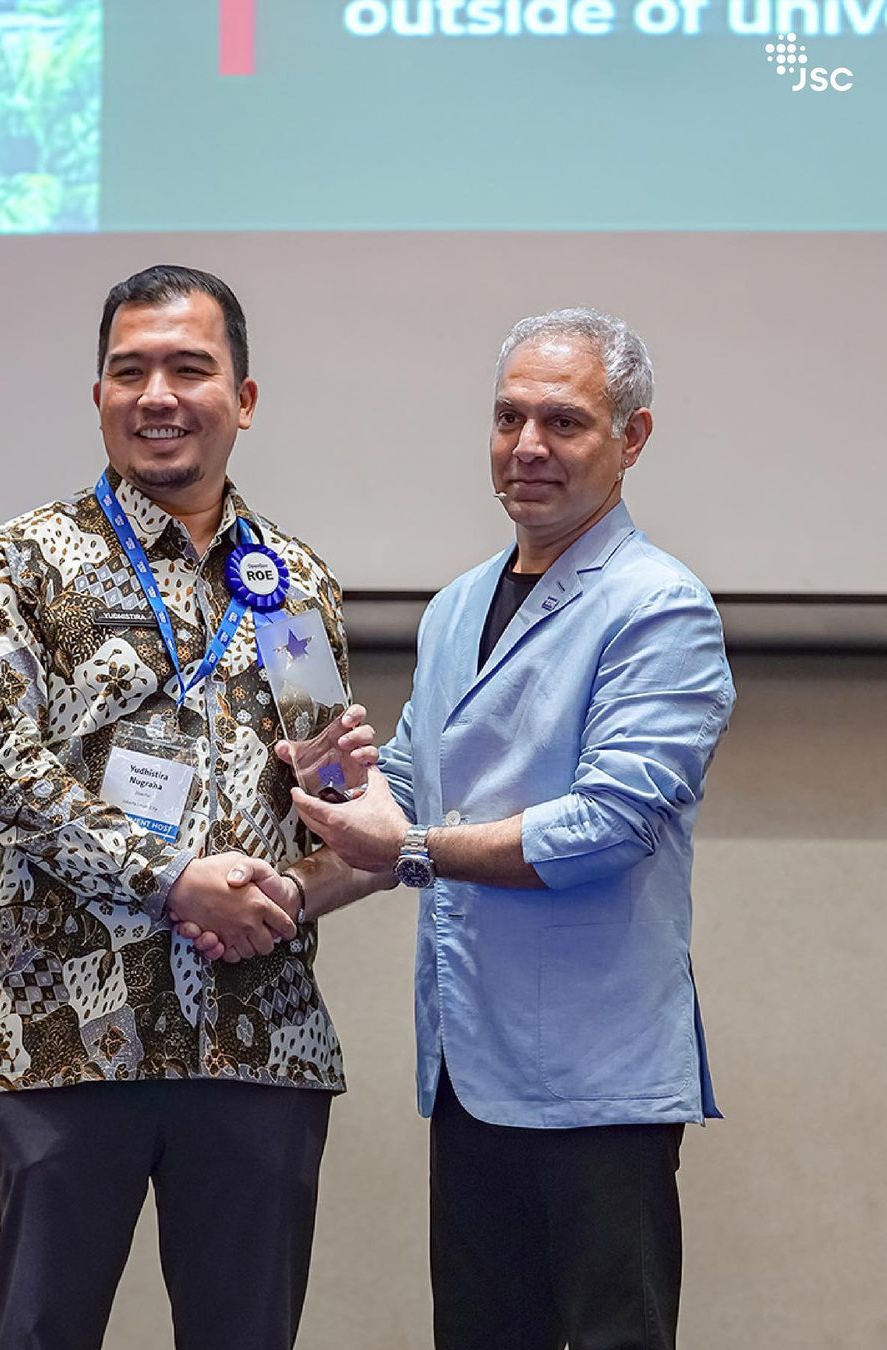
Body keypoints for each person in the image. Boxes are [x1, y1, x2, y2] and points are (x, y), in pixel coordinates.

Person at [247, 308, 735, 1350]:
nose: (527, 448)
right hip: (469, 1072)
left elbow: (607, 829)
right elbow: (407, 799)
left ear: (632, 439)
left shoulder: (661, 608)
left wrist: (405, 848)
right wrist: (287, 889)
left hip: (600, 1090)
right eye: (509, 417)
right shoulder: (460, 605)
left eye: (564, 423)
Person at [0, 264, 377, 1350]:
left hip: (258, 1044)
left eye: (190, 367)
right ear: (98, 394)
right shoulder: (22, 563)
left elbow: (324, 797)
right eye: (129, 371)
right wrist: (173, 877)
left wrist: (334, 808)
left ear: (245, 396)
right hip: (74, 1035)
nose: (158, 394)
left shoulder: (295, 584)